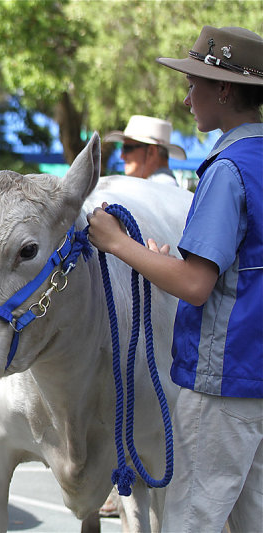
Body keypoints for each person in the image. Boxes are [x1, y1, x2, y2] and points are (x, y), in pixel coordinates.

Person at [87, 25, 263, 532]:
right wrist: (155, 259)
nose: (187, 98)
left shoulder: (228, 168)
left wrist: (120, 245)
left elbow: (194, 284)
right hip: (255, 379)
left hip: (223, 384)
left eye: (196, 84)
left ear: (224, 89)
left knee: (190, 521)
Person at [104, 115, 186, 186]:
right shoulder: (158, 184)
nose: (122, 156)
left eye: (127, 149)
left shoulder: (161, 185)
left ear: (151, 152)